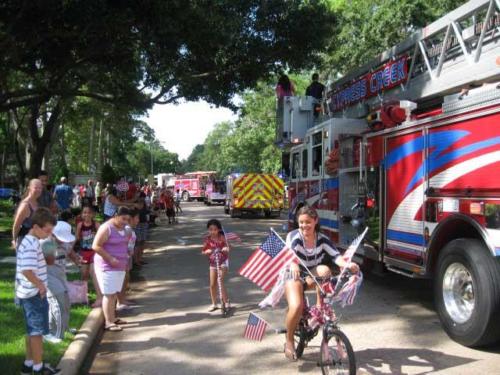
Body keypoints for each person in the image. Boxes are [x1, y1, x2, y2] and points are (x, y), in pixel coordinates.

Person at [283, 206, 359, 361]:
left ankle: (320, 306)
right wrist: (293, 264)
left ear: (316, 221)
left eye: (308, 222)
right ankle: (289, 340)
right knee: (296, 307)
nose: (304, 226)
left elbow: (336, 257)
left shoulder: (322, 239)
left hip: (310, 275)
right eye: (301, 222)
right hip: (293, 276)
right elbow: (290, 254)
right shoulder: (295, 237)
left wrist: (347, 265)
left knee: (324, 270)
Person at [15, 207, 60, 375]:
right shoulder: (32, 243)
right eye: (47, 231)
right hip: (33, 294)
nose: (49, 234)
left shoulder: (29, 240)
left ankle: (28, 363)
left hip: (29, 293)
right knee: (36, 332)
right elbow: (27, 270)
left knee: (31, 330)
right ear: (35, 227)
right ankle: (38, 367)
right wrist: (40, 285)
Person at [92, 206, 131, 332]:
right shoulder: (106, 228)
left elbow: (124, 244)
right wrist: (110, 258)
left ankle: (113, 318)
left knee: (114, 293)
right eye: (123, 218)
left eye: (127, 219)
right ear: (115, 216)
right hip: (106, 266)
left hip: (119, 266)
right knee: (108, 294)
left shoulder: (124, 229)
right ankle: (108, 322)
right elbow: (96, 246)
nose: (125, 221)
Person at [40, 221, 80, 341]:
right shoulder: (46, 243)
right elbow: (46, 261)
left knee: (66, 303)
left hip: (61, 277)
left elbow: (70, 253)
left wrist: (77, 260)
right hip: (48, 277)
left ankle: (64, 327)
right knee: (57, 303)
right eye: (60, 238)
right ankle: (55, 334)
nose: (63, 241)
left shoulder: (64, 244)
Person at [75, 205, 102, 308]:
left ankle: (99, 296)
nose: (86, 214)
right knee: (84, 274)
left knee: (93, 272)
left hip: (94, 252)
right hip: (84, 252)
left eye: (88, 212)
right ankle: (83, 295)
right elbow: (77, 238)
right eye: (84, 212)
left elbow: (101, 237)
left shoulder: (96, 224)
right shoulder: (80, 225)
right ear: (82, 214)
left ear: (92, 214)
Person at [202, 219, 230, 312]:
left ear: (218, 229)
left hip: (223, 261)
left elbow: (228, 247)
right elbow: (203, 251)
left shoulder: (222, 237)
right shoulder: (207, 239)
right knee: (212, 284)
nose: (213, 231)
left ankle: (226, 302)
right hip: (213, 262)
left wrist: (225, 248)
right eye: (210, 229)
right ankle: (214, 304)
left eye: (215, 229)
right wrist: (207, 251)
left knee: (219, 280)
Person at [117, 209, 139, 310]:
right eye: (137, 218)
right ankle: (120, 301)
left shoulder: (129, 229)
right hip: (123, 257)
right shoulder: (126, 229)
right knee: (123, 279)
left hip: (127, 257)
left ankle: (123, 299)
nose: (138, 220)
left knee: (126, 278)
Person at [12, 179, 42, 249]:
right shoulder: (25, 205)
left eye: (40, 188)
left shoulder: (37, 203)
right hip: (24, 242)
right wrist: (14, 240)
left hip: (36, 241)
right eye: (36, 187)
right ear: (29, 188)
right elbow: (16, 226)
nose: (38, 190)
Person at [133, 193, 149, 267]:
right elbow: (138, 209)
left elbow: (146, 211)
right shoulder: (135, 204)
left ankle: (140, 259)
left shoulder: (144, 203)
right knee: (138, 242)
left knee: (143, 241)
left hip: (144, 223)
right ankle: (136, 260)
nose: (142, 199)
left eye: (143, 198)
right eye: (141, 198)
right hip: (137, 224)